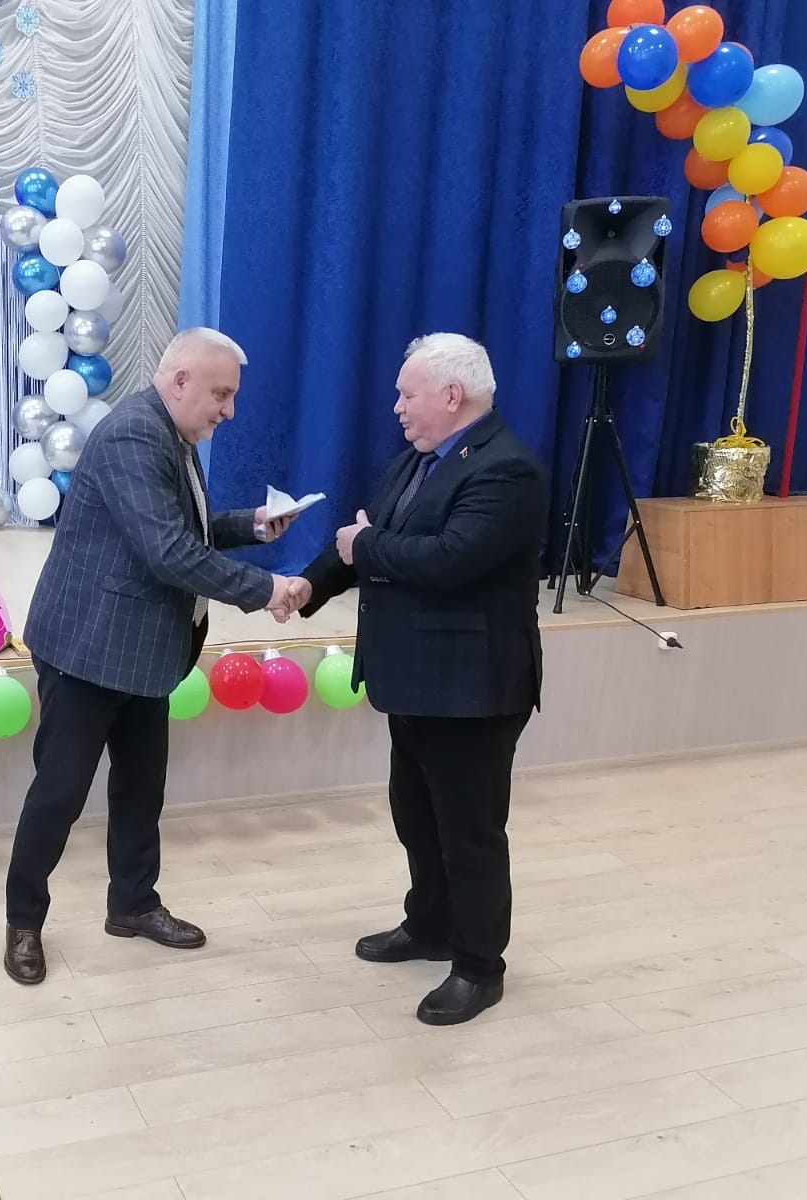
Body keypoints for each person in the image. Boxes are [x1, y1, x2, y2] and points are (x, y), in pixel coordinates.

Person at [2, 328, 307, 985]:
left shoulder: (172, 431)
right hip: (89, 648)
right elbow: (169, 552)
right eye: (221, 394)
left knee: (142, 788)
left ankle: (133, 904)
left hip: (144, 649)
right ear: (179, 381)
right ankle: (23, 920)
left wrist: (252, 524)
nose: (229, 410)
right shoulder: (137, 434)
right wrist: (267, 589)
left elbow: (181, 527)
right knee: (59, 793)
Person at [290, 332, 549, 1026]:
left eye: (408, 394)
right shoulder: (418, 459)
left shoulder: (505, 469)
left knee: (468, 830)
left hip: (471, 687)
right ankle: (430, 925)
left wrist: (367, 544)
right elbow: (364, 540)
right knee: (416, 813)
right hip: (413, 677)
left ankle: (479, 967)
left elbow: (448, 559)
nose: (398, 407)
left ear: (452, 395)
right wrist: (305, 588)